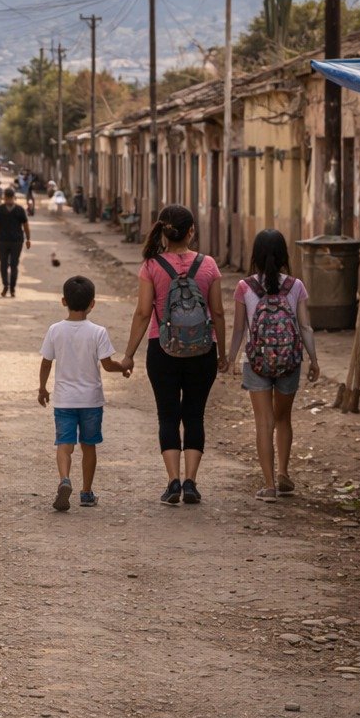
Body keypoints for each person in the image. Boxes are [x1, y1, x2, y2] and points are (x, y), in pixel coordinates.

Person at [117, 205, 226, 506]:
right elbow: (217, 312)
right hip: (202, 351)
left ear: (163, 232)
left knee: (167, 415)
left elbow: (143, 312)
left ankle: (173, 481)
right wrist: (222, 352)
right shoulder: (208, 265)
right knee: (194, 415)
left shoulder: (151, 266)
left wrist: (129, 355)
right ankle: (191, 482)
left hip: (162, 350)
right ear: (191, 231)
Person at [224, 229, 320, 501]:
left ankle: (268, 486)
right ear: (284, 256)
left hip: (256, 362)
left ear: (255, 256)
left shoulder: (244, 287)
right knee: (283, 418)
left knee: (264, 423)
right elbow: (305, 327)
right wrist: (314, 360)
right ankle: (283, 473)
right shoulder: (296, 286)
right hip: (289, 361)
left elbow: (239, 329)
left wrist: (231, 359)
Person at [39, 275, 122, 510]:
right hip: (91, 401)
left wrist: (43, 388)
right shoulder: (98, 332)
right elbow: (108, 365)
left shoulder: (55, 330)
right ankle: (86, 493)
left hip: (64, 400)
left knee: (64, 444)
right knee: (88, 446)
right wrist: (124, 368)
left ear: (63, 301)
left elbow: (46, 362)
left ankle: (65, 479)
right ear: (92, 303)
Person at [0, 187, 32, 297]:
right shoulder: (10, 209)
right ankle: (8, 287)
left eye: (9, 198)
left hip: (9, 241)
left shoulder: (4, 209)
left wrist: (28, 239)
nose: (8, 200)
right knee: (8, 265)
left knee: (9, 265)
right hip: (8, 241)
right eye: (8, 198)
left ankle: (10, 287)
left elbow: (25, 225)